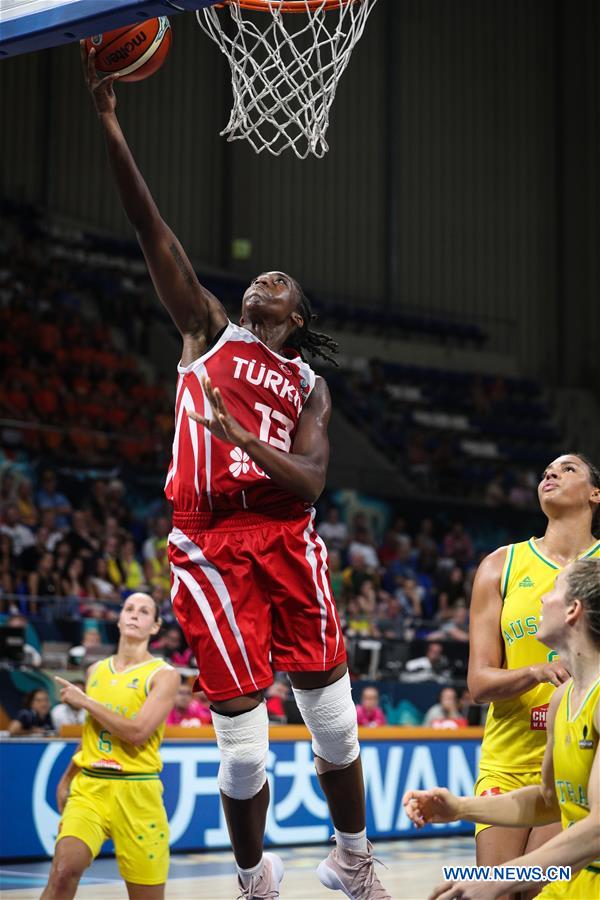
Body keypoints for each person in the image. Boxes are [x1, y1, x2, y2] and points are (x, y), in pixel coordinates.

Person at [82, 44, 390, 900]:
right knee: (245, 745)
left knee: (332, 717)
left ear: (298, 318)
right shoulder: (207, 332)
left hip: (287, 536)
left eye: (283, 281)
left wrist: (244, 440)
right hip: (211, 545)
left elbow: (312, 484)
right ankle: (256, 878)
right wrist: (111, 126)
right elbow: (154, 231)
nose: (267, 276)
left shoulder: (307, 384)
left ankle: (354, 860)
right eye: (261, 274)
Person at [403, 558, 600, 899]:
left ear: (573, 610)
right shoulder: (562, 700)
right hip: (575, 885)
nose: (542, 599)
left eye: (553, 590)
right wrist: (461, 808)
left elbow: (598, 830)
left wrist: (498, 879)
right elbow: (549, 801)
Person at [467, 454, 600, 885]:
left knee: (539, 889)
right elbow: (478, 684)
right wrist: (537, 673)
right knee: (493, 889)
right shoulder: (499, 566)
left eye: (567, 469)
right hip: (507, 758)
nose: (551, 474)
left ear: (595, 494)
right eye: (545, 470)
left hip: (575, 756)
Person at [41, 592, 179, 900]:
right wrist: (67, 776)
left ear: (154, 627)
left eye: (144, 612)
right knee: (62, 872)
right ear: (117, 619)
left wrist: (86, 702)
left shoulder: (164, 675)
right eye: (128, 609)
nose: (133, 615)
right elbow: (91, 734)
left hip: (138, 793)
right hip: (91, 788)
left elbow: (138, 733)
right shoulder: (96, 671)